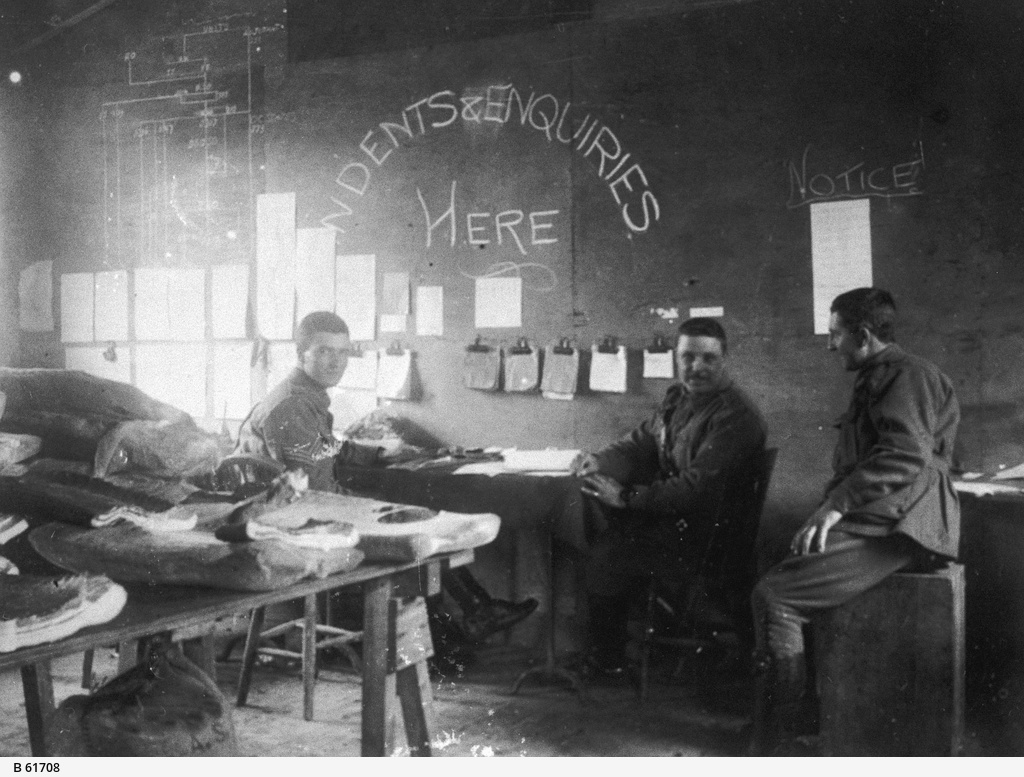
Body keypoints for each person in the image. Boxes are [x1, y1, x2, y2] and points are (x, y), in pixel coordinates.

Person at [234, 311, 537, 666]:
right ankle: (444, 638)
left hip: (296, 507)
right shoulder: (293, 406)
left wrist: (379, 452)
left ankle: (469, 616)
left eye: (344, 352)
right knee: (411, 527)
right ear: (301, 354)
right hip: (288, 519)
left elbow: (326, 450)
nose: (336, 362)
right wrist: (374, 508)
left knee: (410, 518)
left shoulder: (305, 397)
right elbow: (314, 493)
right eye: (324, 352)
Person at [748, 288, 960, 755]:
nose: (830, 346)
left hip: (902, 525)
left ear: (862, 335)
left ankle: (774, 746)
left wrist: (832, 508)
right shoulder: (883, 376)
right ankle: (803, 721)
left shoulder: (909, 376)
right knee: (786, 567)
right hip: (885, 517)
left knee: (775, 595)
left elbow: (904, 455)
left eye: (835, 335)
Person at [571, 317, 768, 675]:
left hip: (709, 536)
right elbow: (638, 442)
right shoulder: (679, 399)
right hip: (676, 521)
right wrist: (599, 459)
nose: (696, 367)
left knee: (608, 552)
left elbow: (696, 488)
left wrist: (627, 496)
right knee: (599, 519)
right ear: (677, 358)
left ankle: (608, 661)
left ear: (725, 358)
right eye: (688, 357)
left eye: (708, 359)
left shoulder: (736, 417)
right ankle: (626, 647)